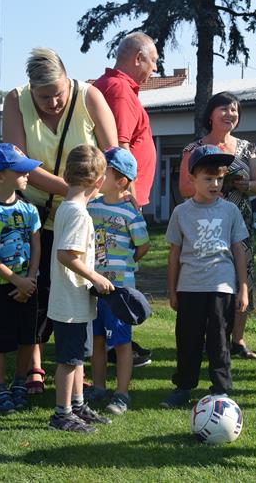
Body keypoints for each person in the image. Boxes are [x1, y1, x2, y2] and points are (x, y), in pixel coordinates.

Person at [3, 47, 118, 394]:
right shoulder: (15, 101)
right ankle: (35, 366)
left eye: (59, 94)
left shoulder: (90, 96)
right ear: (30, 90)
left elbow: (114, 154)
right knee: (34, 293)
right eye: (44, 97)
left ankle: (73, 365)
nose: (53, 102)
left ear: (69, 81)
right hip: (36, 217)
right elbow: (19, 162)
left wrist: (93, 194)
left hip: (82, 215)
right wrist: (73, 188)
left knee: (79, 293)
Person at [161, 145, 249, 408]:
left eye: (219, 178)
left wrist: (242, 288)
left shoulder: (230, 211)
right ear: (192, 179)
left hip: (221, 287)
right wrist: (172, 290)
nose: (214, 184)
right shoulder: (181, 212)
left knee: (219, 341)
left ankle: (221, 389)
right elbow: (174, 254)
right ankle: (183, 387)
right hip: (189, 287)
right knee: (187, 341)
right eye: (208, 178)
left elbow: (238, 250)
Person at [178, 92, 256, 360]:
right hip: (205, 222)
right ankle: (210, 337)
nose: (230, 114)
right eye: (224, 109)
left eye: (235, 109)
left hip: (241, 221)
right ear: (211, 115)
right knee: (209, 277)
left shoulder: (247, 148)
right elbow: (184, 187)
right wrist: (212, 190)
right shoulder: (194, 149)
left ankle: (237, 339)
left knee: (242, 276)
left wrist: (245, 185)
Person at [93, 31, 159, 367]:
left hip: (120, 197)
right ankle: (116, 345)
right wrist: (127, 194)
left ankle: (116, 341)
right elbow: (116, 148)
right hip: (119, 201)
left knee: (114, 267)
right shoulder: (119, 89)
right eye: (153, 61)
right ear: (137, 57)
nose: (154, 69)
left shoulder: (119, 88)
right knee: (116, 270)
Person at [47, 144, 114, 433]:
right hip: (69, 303)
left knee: (77, 358)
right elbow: (66, 254)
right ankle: (61, 414)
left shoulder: (67, 207)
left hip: (75, 301)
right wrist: (96, 277)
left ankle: (77, 405)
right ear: (98, 182)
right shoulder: (77, 213)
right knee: (69, 360)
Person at [0, 143, 43, 414]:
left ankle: (19, 383)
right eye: (21, 170)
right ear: (0, 176)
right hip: (1, 286)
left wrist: (30, 280)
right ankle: (0, 388)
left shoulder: (30, 210)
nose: (28, 175)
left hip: (29, 284)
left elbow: (37, 247)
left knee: (28, 337)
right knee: (2, 341)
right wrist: (17, 281)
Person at [86, 147, 150, 415]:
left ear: (121, 179)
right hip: (94, 288)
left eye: (105, 171)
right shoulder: (91, 206)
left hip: (121, 291)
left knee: (122, 343)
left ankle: (121, 394)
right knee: (97, 340)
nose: (98, 176)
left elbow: (143, 246)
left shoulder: (131, 213)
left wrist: (127, 261)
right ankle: (99, 387)